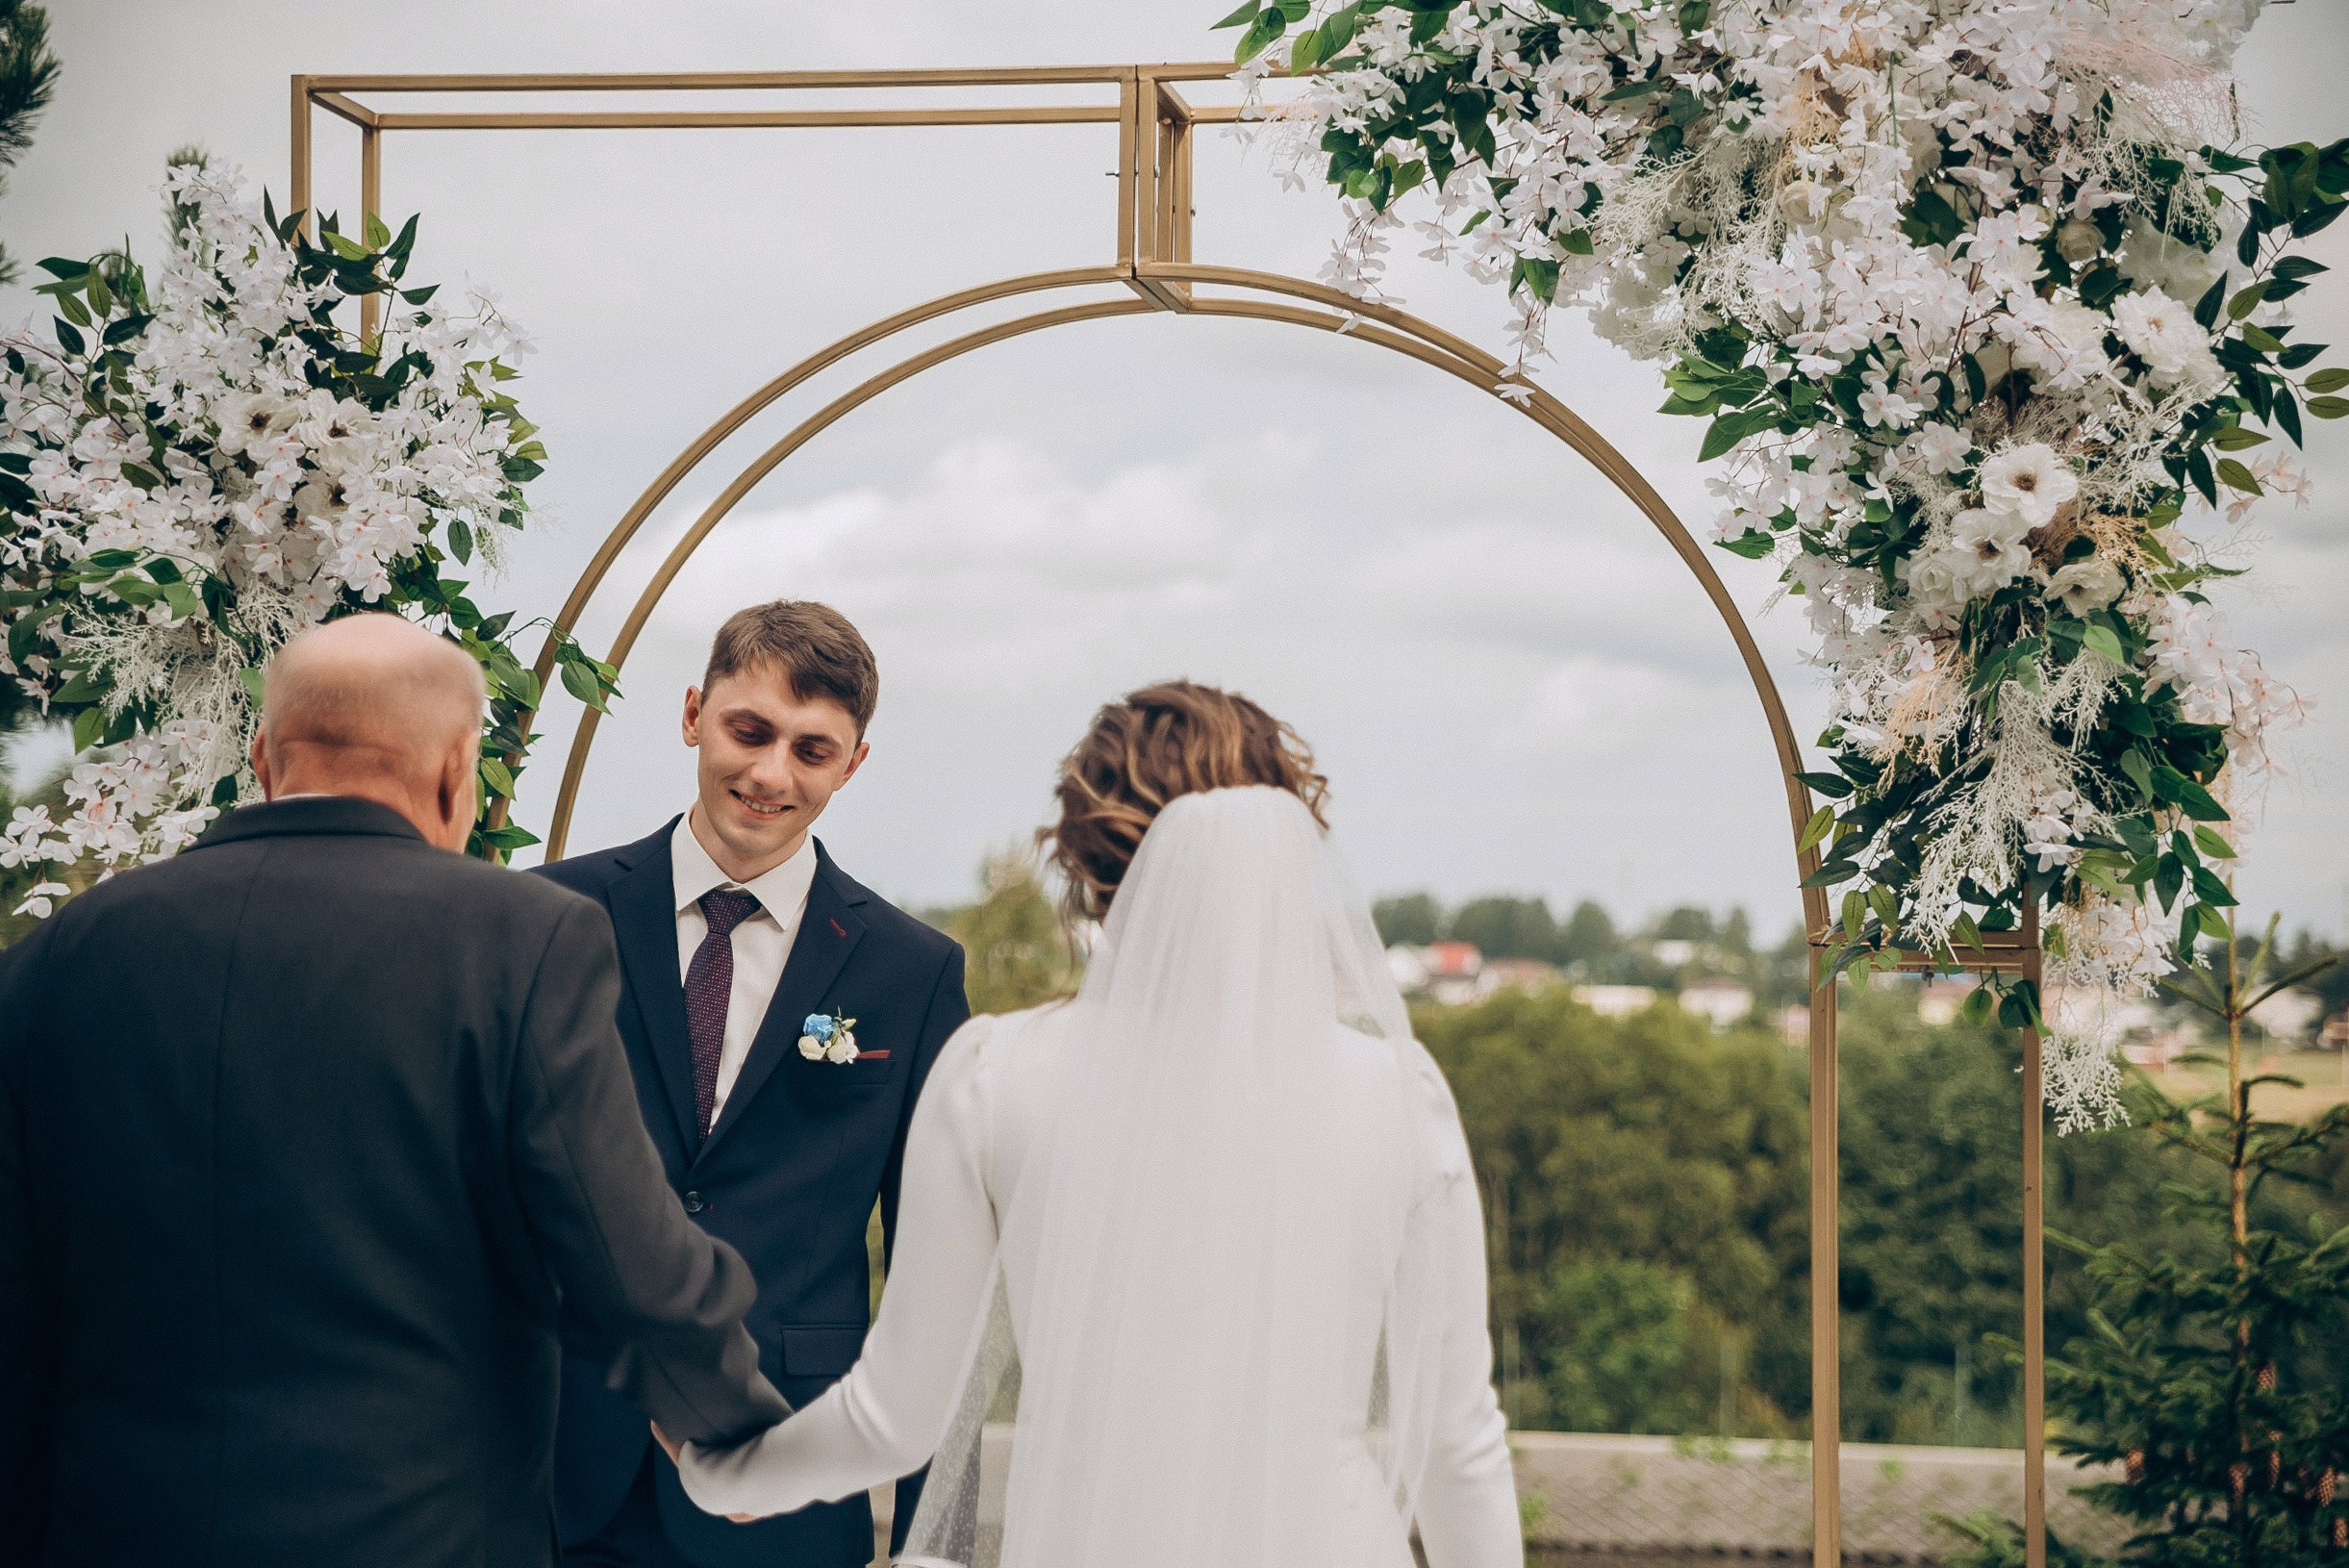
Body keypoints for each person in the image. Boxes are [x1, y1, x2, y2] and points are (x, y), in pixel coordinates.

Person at [663, 681, 1522, 1568]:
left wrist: (722, 1476)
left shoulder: (997, 1079)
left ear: (1084, 864)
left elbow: (896, 1418)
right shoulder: (1401, 1095)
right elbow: (1462, 1446)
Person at [0, 614, 787, 1568]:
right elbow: (621, 1250)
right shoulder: (521, 942)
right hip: (414, 1532)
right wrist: (730, 1420)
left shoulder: (62, 957)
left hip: (109, 1530)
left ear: (262, 757)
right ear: (459, 769)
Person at [541, 601, 968, 1568]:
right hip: (556, 1467)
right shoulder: (546, 915)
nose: (773, 773)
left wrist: (932, 1537)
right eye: (750, 730)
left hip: (791, 1475)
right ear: (693, 712)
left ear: (853, 763)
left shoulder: (914, 971)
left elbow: (939, 1272)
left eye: (813, 750)